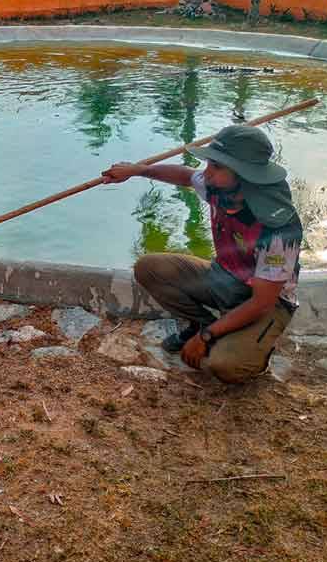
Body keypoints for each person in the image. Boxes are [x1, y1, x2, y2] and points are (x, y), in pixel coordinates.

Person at [101, 125, 302, 383]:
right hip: (225, 277)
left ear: (244, 174)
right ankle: (203, 322)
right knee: (149, 268)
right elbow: (186, 176)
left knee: (223, 366)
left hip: (267, 302)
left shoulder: (278, 228)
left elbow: (261, 302)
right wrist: (138, 170)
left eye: (216, 167)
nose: (206, 174)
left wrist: (206, 339)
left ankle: (254, 354)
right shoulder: (222, 189)